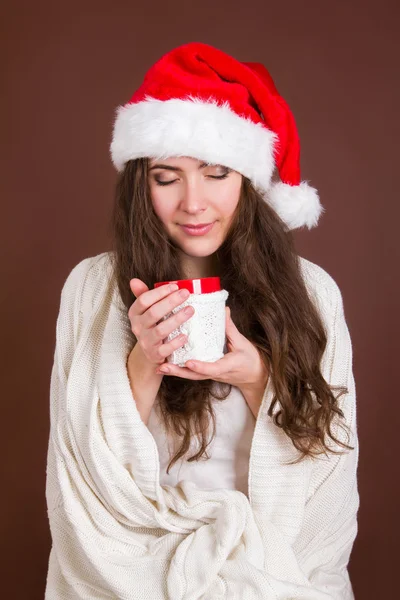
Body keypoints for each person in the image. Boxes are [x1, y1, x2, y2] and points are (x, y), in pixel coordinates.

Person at [45, 42, 359, 599]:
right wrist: (143, 361)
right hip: (137, 568)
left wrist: (257, 377)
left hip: (270, 564)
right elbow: (79, 473)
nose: (194, 203)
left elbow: (330, 466)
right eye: (168, 178)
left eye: (216, 173)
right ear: (143, 186)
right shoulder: (93, 289)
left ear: (248, 181)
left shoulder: (312, 294)